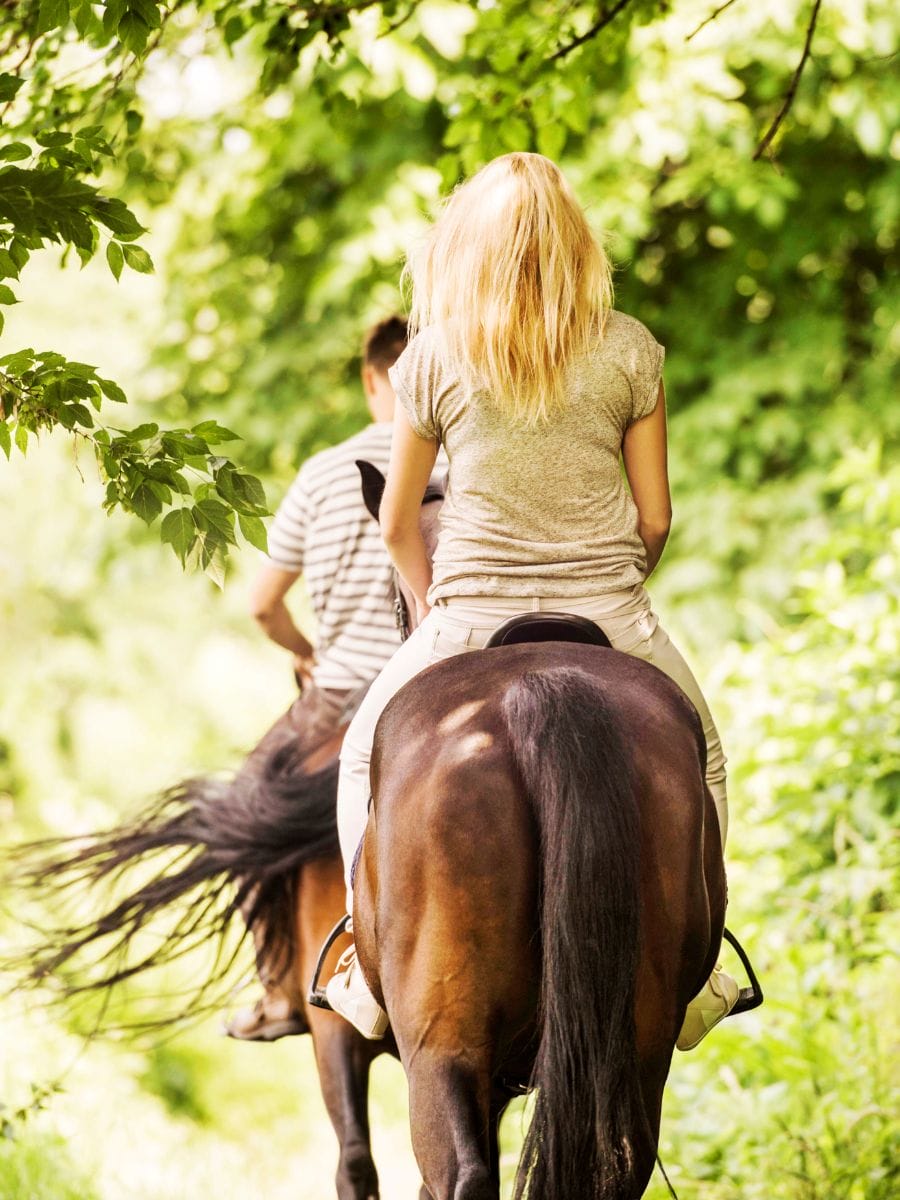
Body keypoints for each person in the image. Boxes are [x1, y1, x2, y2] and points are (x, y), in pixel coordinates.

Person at [326, 153, 739, 1051]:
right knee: (702, 757)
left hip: (469, 613)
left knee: (363, 758)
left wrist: (436, 603)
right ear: (576, 244)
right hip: (611, 609)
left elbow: (399, 521)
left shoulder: (433, 357)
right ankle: (706, 975)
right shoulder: (630, 347)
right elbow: (656, 517)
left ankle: (364, 965)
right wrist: (616, 585)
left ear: (467, 246)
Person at [225, 315, 411, 1042]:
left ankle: (277, 988)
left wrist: (303, 650)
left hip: (338, 688)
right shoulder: (461, 455)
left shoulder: (325, 471)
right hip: (436, 670)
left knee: (248, 808)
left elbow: (262, 605)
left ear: (372, 379)